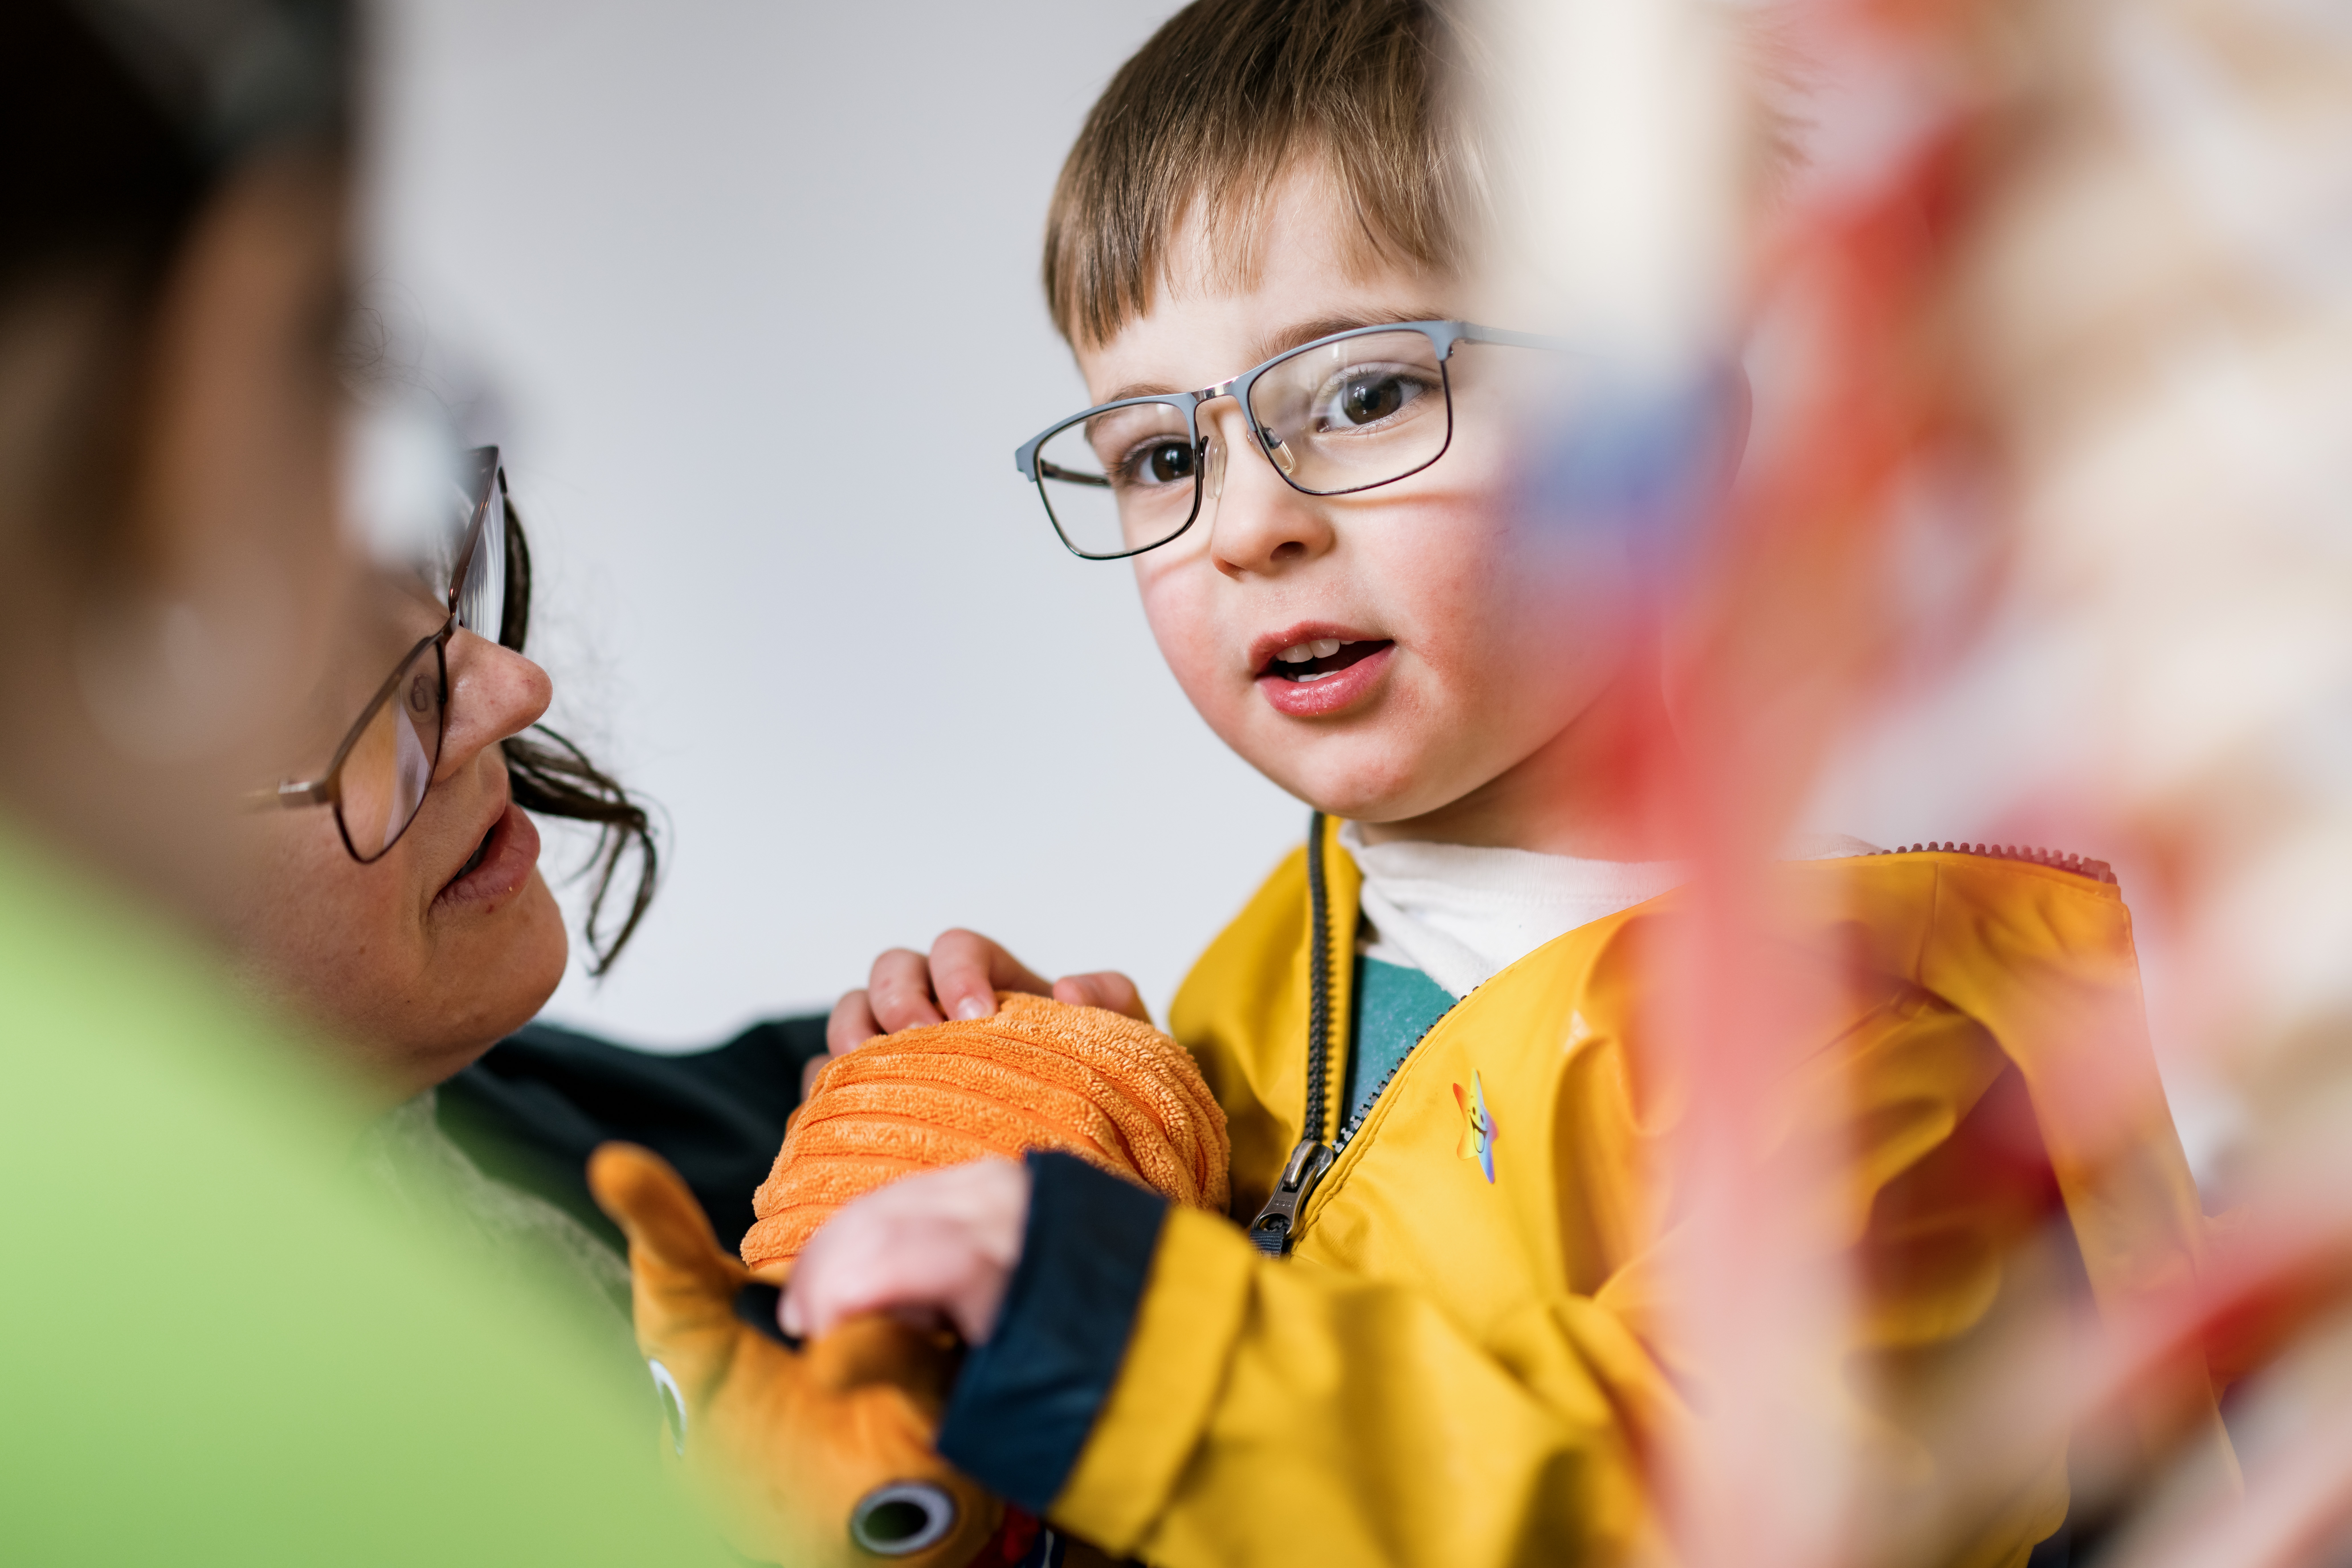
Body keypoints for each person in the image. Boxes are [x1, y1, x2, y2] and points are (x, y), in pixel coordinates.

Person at [775, 3, 2220, 1565]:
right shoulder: (1282, 972)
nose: (1247, 522)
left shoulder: (1856, 1045)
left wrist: (1118, 1328)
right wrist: (1089, 1158)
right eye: (1160, 455)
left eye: (1369, 392)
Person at [0, 4, 726, 1561]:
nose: (513, 690)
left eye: (422, 580)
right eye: (353, 696)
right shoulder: (303, 1434)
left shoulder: (586, 1144)